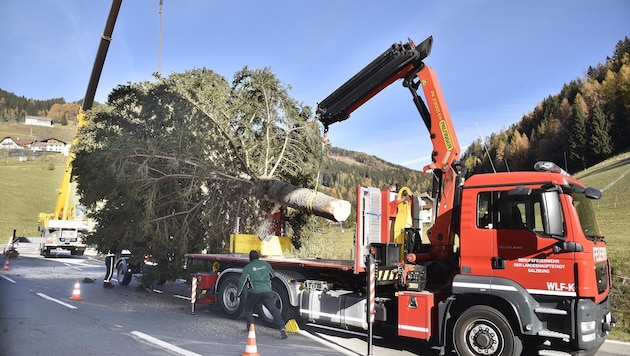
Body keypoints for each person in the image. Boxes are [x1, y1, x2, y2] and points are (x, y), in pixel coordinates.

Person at [237, 250, 287, 339]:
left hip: (255, 292)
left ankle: (250, 328)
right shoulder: (266, 265)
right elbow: (273, 275)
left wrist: (238, 293)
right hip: (267, 291)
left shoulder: (247, 268)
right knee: (273, 310)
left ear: (250, 259)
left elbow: (242, 281)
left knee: (248, 308)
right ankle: (282, 328)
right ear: (258, 257)